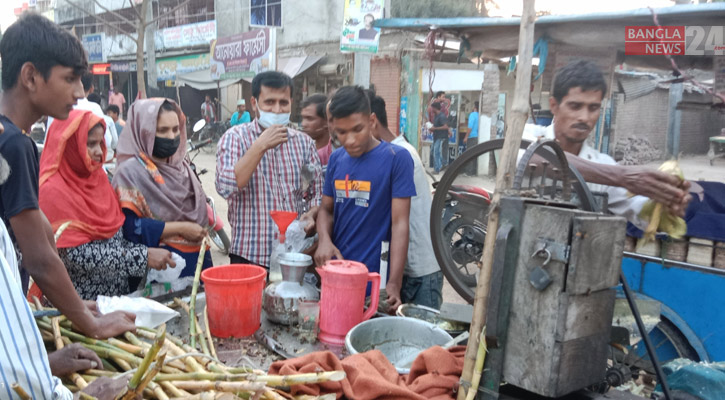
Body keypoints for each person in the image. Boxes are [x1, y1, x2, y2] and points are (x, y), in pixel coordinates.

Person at [0, 12, 135, 340]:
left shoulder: (10, 137)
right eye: (70, 79)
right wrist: (93, 325)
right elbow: (39, 259)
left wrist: (71, 304)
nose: (79, 92)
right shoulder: (14, 146)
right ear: (30, 77)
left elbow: (42, 229)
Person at [523, 60, 690, 223]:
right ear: (554, 105)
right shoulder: (527, 135)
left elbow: (640, 211)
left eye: (593, 108)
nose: (585, 117)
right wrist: (622, 176)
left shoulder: (603, 164)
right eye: (575, 106)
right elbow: (536, 155)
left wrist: (668, 205)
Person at [38, 110, 174, 299]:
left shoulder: (99, 179)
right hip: (78, 308)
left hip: (115, 299)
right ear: (69, 145)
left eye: (100, 143)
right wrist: (142, 256)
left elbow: (113, 237)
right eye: (90, 144)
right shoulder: (52, 191)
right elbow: (72, 256)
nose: (98, 151)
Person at [315, 86, 416, 313]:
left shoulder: (397, 159)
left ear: (371, 121)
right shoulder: (336, 160)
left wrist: (394, 282)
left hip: (375, 278)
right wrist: (324, 239)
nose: (349, 140)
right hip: (338, 272)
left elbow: (400, 224)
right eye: (341, 132)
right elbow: (326, 209)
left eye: (356, 129)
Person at [216, 71, 323, 267]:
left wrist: (312, 213)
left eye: (283, 103)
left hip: (292, 255)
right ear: (255, 103)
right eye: (269, 102)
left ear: (291, 102)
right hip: (249, 255)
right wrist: (259, 146)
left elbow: (316, 191)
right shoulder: (235, 138)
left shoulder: (304, 143)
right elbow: (226, 187)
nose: (276, 110)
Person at [113, 99, 212, 276]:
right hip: (158, 270)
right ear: (144, 131)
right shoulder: (130, 173)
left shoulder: (184, 168)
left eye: (175, 129)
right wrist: (180, 228)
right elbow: (127, 228)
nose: (171, 136)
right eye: (162, 130)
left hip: (196, 261)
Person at [368, 92, 443, 309]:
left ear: (372, 122)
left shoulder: (400, 155)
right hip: (410, 267)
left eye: (357, 128)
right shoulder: (396, 151)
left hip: (421, 270)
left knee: (421, 338)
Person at [48, 72, 118, 161]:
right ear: (91, 88)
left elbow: (50, 144)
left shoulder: (56, 108)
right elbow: (107, 141)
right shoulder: (94, 108)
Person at [301, 94, 333, 166]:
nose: (303, 124)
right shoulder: (301, 152)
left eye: (309, 119)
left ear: (327, 121)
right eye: (303, 118)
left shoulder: (336, 155)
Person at [430, 102, 451, 174]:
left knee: (436, 152)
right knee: (433, 152)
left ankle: (437, 169)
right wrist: (431, 128)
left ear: (435, 108)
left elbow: (445, 126)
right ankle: (444, 164)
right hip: (436, 137)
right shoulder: (436, 116)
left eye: (432, 108)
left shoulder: (442, 116)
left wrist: (435, 128)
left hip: (441, 137)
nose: (431, 109)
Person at [464, 101, 479, 175]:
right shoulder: (479, 115)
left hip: (472, 137)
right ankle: (473, 171)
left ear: (475, 108)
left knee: (469, 154)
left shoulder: (472, 115)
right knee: (474, 154)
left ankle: (469, 172)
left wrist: (466, 137)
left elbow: (470, 127)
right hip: (477, 137)